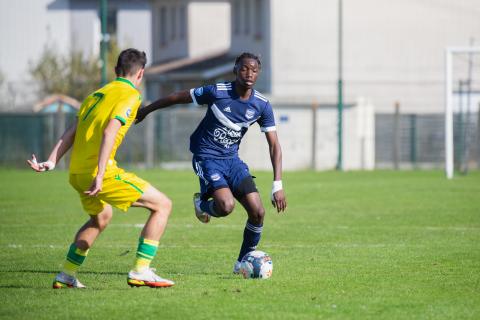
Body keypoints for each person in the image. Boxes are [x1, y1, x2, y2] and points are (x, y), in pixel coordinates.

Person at [27, 48, 174, 288]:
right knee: (163, 205)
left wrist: (52, 160)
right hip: (98, 173)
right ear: (141, 74)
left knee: (100, 218)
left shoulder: (96, 95)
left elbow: (72, 130)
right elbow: (110, 131)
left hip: (76, 173)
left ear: (116, 70)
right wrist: (102, 173)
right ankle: (141, 270)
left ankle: (66, 275)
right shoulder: (131, 95)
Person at [136, 52, 287, 273]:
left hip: (232, 161)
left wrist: (278, 185)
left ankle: (241, 263)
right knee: (226, 206)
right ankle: (202, 205)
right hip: (206, 156)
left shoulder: (262, 105)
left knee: (258, 212)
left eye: (254, 70)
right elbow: (178, 96)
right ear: (236, 69)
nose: (249, 73)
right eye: (244, 68)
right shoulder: (217, 91)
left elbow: (274, 145)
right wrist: (147, 110)